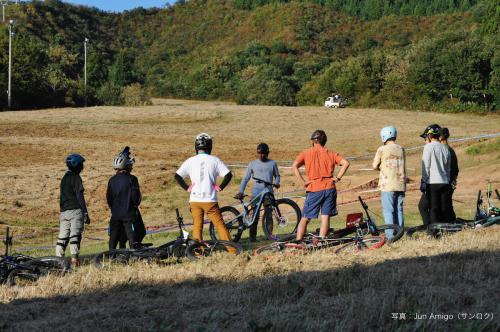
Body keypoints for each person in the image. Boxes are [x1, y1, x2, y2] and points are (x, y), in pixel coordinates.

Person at [174, 133, 235, 247]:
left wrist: (187, 187)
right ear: (210, 146)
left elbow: (177, 176)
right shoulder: (215, 160)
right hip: (210, 200)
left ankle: (197, 252)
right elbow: (228, 175)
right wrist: (220, 186)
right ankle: (232, 249)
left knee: (197, 226)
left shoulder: (190, 160)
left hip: (195, 200)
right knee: (220, 225)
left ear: (196, 147)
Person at [292, 130, 350, 241]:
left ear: (313, 141)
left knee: (305, 218)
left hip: (314, 188)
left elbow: (294, 166)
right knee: (325, 216)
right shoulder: (331, 153)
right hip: (329, 187)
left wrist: (303, 181)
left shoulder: (306, 153)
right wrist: (338, 178)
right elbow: (346, 163)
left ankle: (298, 241)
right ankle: (322, 241)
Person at [235, 143, 281, 242]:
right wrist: (241, 191)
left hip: (268, 193)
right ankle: (252, 237)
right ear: (257, 152)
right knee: (254, 216)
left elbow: (277, 175)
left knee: (269, 215)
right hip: (256, 194)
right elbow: (245, 179)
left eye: (264, 153)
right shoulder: (252, 164)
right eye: (259, 153)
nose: (261, 155)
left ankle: (269, 236)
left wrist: (277, 183)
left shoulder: (272, 163)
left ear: (267, 153)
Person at [372, 126, 406, 240]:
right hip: (400, 183)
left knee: (388, 210)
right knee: (399, 209)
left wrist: (382, 168)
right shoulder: (401, 149)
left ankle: (390, 236)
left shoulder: (382, 149)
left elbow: (374, 165)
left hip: (387, 184)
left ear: (384, 136)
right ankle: (400, 234)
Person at [56, 154, 90, 266]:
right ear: (77, 165)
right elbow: (80, 196)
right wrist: (85, 212)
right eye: (81, 164)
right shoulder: (76, 177)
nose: (82, 167)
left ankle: (58, 261)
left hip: (64, 212)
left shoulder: (64, 178)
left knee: (62, 237)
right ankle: (75, 260)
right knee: (75, 235)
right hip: (75, 210)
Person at [106, 147, 143, 250]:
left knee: (113, 239)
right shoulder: (132, 179)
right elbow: (136, 198)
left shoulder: (111, 180)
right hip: (129, 215)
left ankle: (111, 258)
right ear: (127, 165)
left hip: (116, 215)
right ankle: (133, 258)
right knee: (132, 238)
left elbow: (109, 198)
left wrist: (114, 209)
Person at [418, 124, 451, 226]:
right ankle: (444, 229)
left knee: (433, 208)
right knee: (443, 207)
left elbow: (425, 166)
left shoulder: (428, 147)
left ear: (429, 136)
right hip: (445, 182)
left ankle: (433, 231)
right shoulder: (445, 148)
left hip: (433, 182)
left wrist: (423, 180)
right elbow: (448, 167)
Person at [440, 128, 459, 222]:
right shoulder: (451, 150)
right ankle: (452, 222)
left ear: (441, 137)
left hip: (446, 182)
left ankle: (450, 223)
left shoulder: (444, 151)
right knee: (448, 204)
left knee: (445, 205)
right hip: (451, 181)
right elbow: (456, 169)